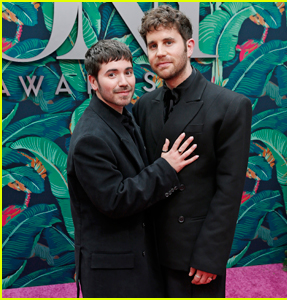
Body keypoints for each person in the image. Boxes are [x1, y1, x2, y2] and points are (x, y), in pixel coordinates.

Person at [132, 5, 252, 298]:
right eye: (152, 45)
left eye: (168, 42)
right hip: (149, 251)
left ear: (189, 46)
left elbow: (229, 189)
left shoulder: (229, 105)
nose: (160, 52)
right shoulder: (143, 105)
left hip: (194, 254)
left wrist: (210, 256)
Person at [67, 39, 199, 298]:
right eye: (111, 74)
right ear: (93, 82)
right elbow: (115, 200)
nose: (124, 82)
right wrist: (166, 167)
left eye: (128, 72)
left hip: (138, 259)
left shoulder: (124, 114)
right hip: (114, 271)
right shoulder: (90, 138)